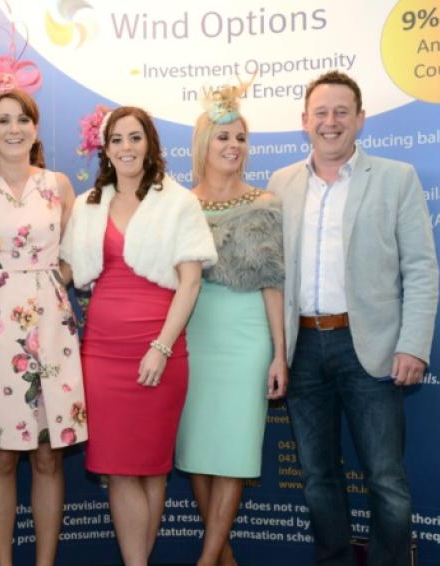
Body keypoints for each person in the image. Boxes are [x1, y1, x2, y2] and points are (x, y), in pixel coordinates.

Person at [267, 70, 439, 566]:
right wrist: (274, 350)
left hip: (373, 349)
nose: (330, 121)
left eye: (342, 111)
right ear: (304, 121)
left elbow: (422, 270)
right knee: (318, 476)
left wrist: (413, 344)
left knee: (385, 478)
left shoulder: (395, 177)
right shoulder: (281, 184)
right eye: (320, 112)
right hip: (302, 350)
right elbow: (273, 277)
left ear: (361, 120)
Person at [61, 106, 216, 566]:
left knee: (152, 470)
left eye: (135, 137)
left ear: (150, 143)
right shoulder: (87, 204)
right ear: (104, 148)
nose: (126, 148)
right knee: (119, 470)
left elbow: (190, 283)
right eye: (116, 140)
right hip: (103, 353)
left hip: (162, 349)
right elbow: (66, 271)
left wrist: (161, 348)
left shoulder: (178, 202)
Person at [0, 89, 87, 566]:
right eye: (3, 120)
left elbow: (74, 257)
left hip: (50, 329)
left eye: (22, 119)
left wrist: (45, 285)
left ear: (35, 127)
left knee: (48, 456)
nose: (13, 128)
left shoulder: (59, 185)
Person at [174, 85, 287, 566]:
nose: (233, 146)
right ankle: (223, 558)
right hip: (193, 331)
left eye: (240, 138)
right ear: (204, 144)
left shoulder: (267, 202)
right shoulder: (177, 204)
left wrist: (280, 353)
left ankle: (207, 560)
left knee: (235, 451)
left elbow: (273, 283)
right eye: (223, 137)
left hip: (246, 338)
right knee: (199, 449)